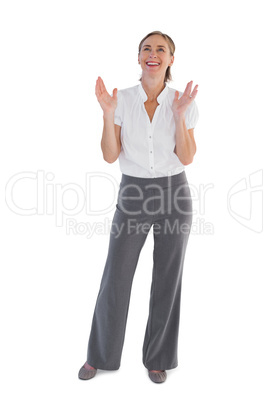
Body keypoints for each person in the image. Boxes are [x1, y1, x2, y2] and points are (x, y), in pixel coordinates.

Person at [78, 30, 199, 384]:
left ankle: (158, 358)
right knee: (116, 275)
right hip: (132, 195)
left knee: (167, 279)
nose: (153, 54)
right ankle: (99, 356)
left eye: (161, 49)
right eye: (147, 48)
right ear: (139, 57)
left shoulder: (183, 101)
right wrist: (106, 114)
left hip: (174, 195)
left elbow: (187, 157)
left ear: (171, 59)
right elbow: (110, 155)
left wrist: (179, 116)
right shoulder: (122, 100)